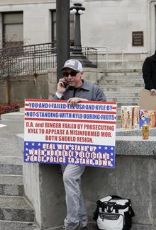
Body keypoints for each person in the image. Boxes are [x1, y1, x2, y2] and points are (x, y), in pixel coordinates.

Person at [54, 59, 107, 230]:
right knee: (73, 183)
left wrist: (84, 103)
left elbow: (107, 113)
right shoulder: (64, 90)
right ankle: (82, 222)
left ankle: (71, 223)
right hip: (65, 145)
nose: (68, 77)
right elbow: (49, 115)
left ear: (81, 74)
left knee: (69, 177)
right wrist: (58, 94)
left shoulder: (94, 90)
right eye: (65, 74)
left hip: (86, 145)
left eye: (72, 73)